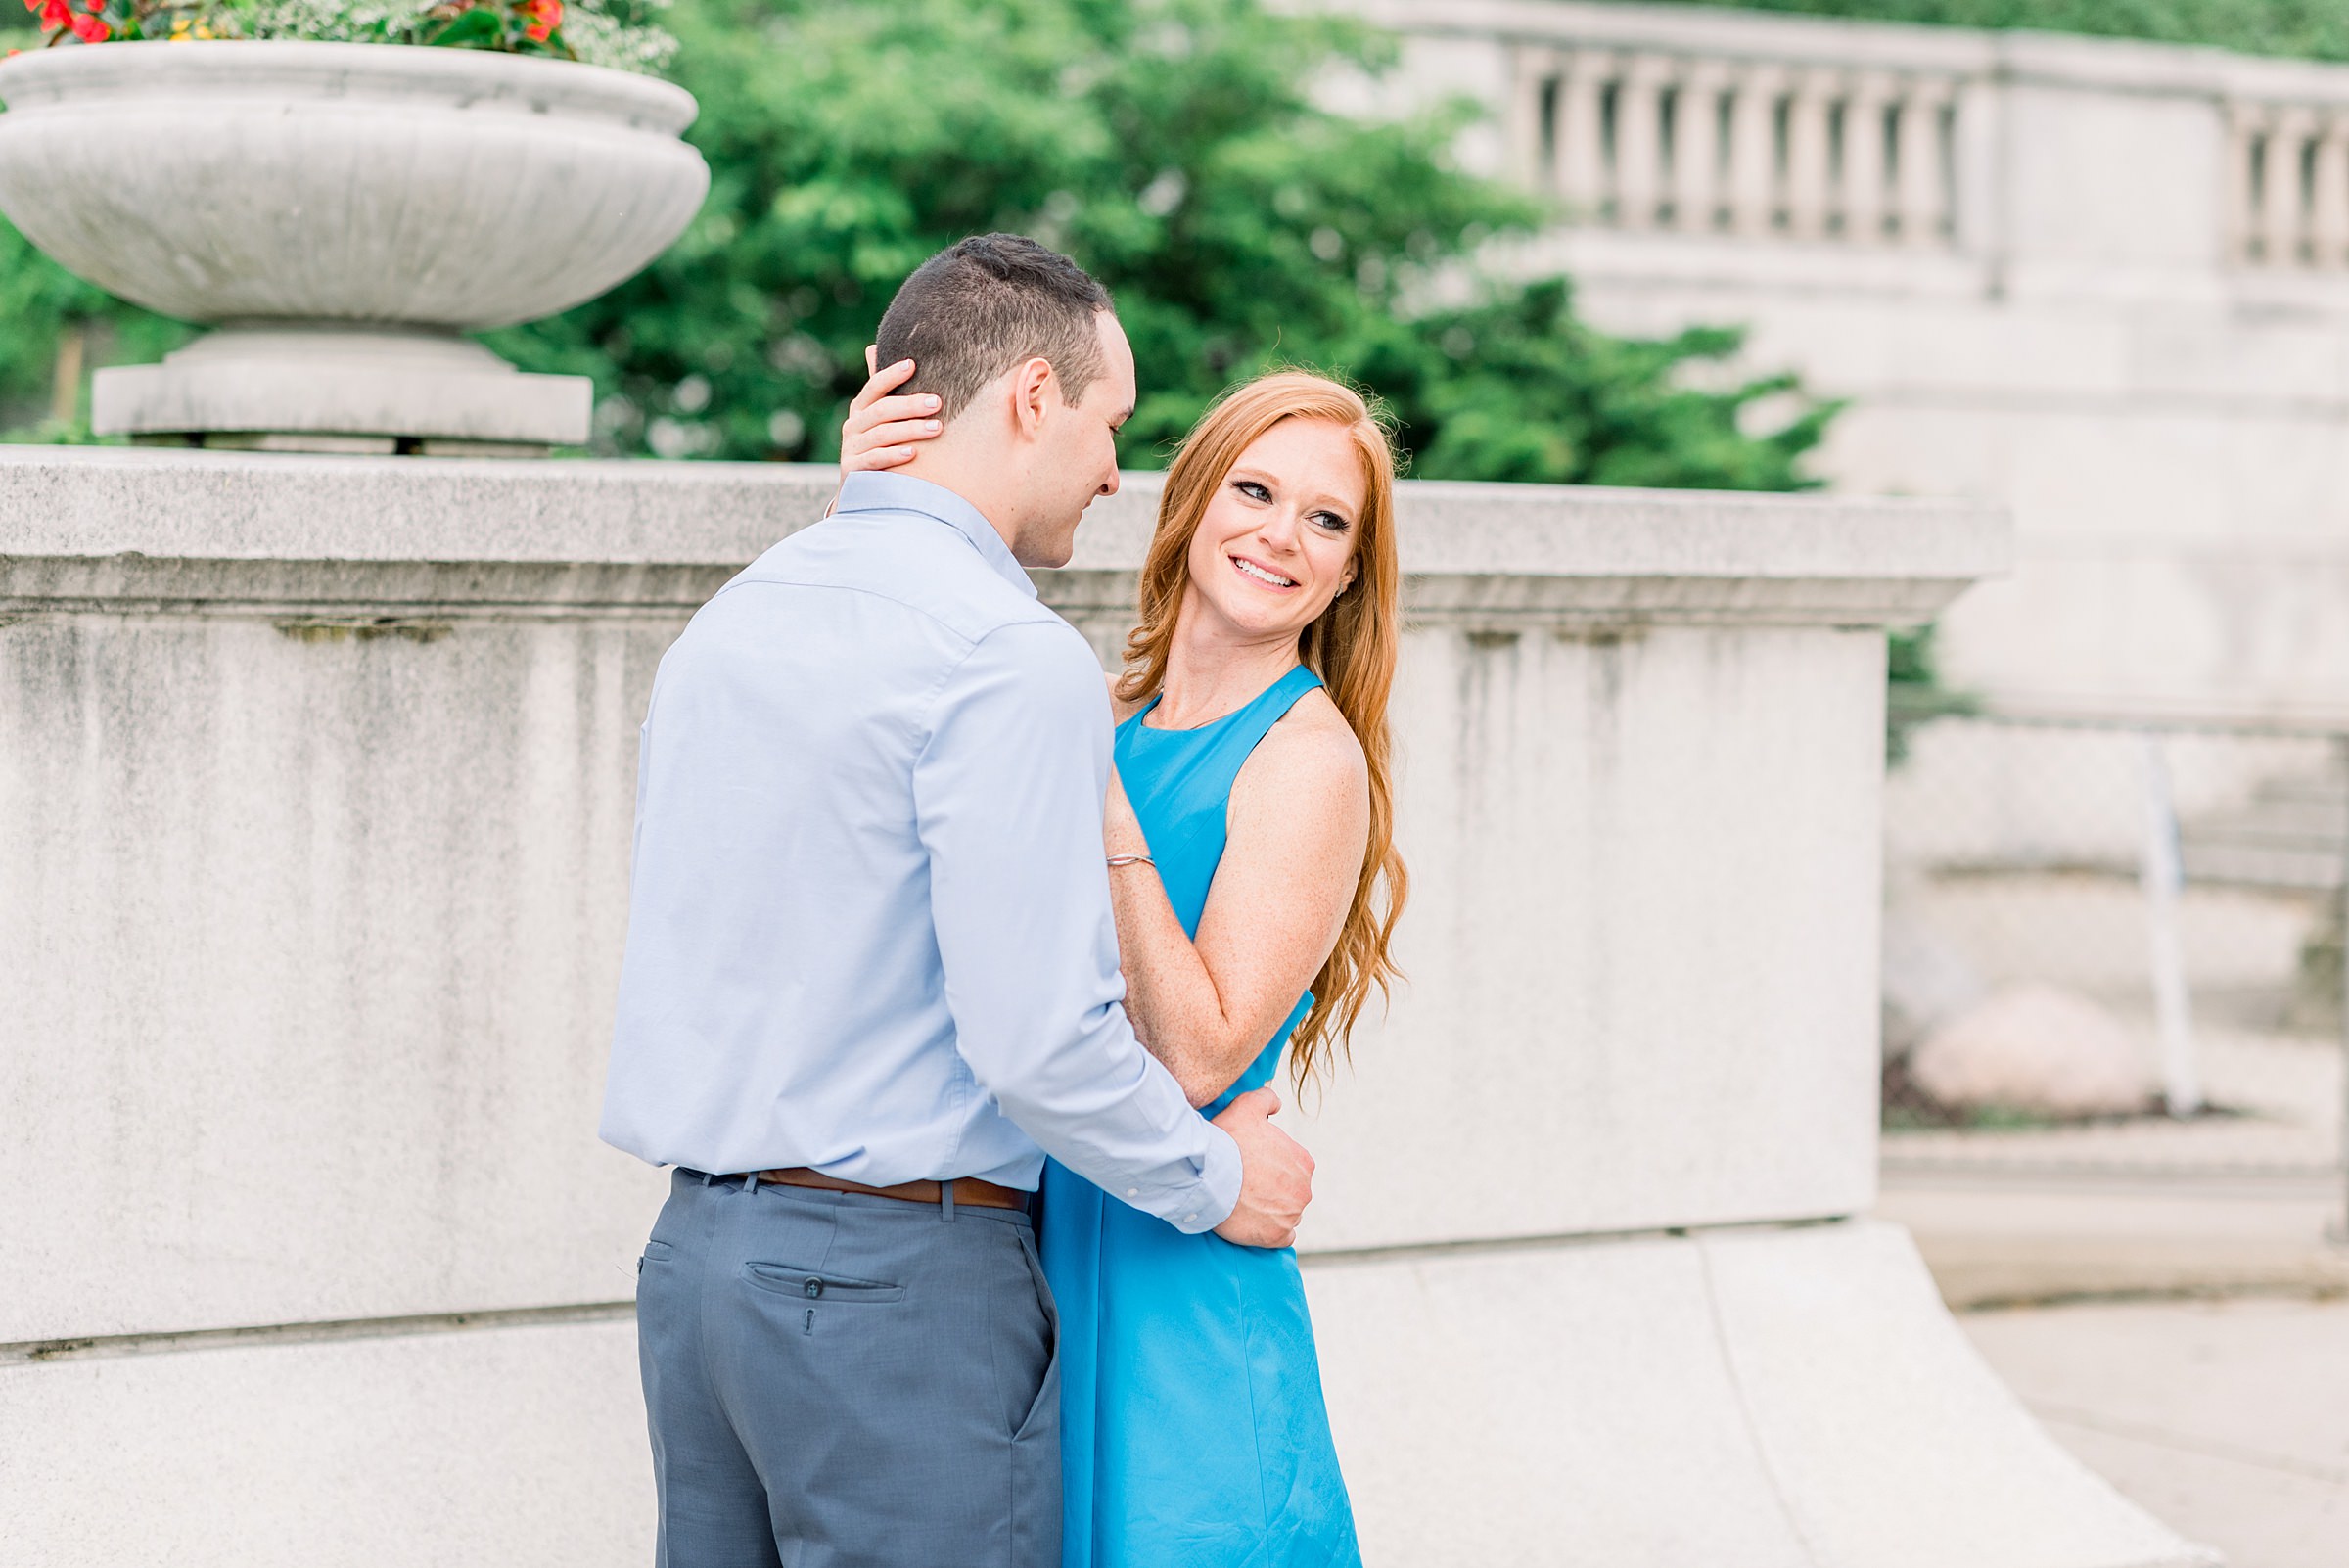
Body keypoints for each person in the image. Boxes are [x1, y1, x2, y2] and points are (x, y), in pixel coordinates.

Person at [598, 233, 1317, 1568]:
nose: (1116, 470)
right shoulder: (1005, 651)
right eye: (1111, 423)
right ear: (1034, 398)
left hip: (694, 1271)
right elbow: (1041, 1036)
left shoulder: (741, 613)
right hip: (894, 1291)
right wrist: (1220, 1177)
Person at [840, 362, 1407, 1567]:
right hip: (1031, 1267)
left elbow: (1200, 1048)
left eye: (1326, 520)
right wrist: (872, 494)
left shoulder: (1306, 760)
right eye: (1254, 491)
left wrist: (1095, 788)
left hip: (1178, 1302)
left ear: (1351, 570)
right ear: (1193, 501)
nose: (1281, 536)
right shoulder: (1100, 711)